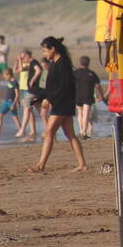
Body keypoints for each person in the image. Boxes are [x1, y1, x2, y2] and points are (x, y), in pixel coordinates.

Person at [29, 36, 88, 173]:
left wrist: (49, 99)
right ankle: (82, 164)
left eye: (45, 51)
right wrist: (38, 99)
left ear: (52, 49)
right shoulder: (56, 63)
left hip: (62, 103)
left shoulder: (63, 63)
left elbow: (63, 86)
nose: (44, 54)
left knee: (49, 132)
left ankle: (40, 165)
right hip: (61, 102)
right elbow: (51, 86)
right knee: (70, 134)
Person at [74, 56, 106, 139]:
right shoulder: (91, 73)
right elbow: (98, 86)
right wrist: (102, 96)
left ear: (80, 62)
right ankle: (84, 132)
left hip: (77, 96)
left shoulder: (75, 73)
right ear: (88, 63)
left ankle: (81, 130)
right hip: (88, 96)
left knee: (80, 113)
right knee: (86, 114)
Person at [16, 49, 44, 141]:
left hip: (32, 91)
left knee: (26, 110)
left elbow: (38, 70)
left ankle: (22, 130)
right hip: (36, 91)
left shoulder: (33, 62)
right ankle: (49, 129)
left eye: (23, 57)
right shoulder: (31, 63)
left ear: (27, 56)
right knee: (41, 112)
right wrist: (19, 60)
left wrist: (33, 79)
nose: (23, 59)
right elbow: (20, 70)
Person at [0, 68, 21, 136]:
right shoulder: (9, 81)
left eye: (5, 76)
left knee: (15, 117)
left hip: (12, 102)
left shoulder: (15, 82)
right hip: (6, 102)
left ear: (9, 74)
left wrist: (15, 103)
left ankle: (21, 130)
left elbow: (17, 94)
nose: (5, 78)